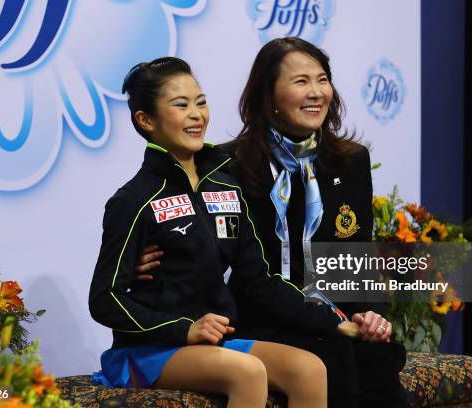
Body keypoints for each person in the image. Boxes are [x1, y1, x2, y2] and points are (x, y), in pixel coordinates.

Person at [136, 40, 407, 408]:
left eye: (322, 79)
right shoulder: (226, 166)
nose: (316, 92)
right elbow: (223, 261)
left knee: (376, 354)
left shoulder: (350, 161)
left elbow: (353, 257)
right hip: (261, 317)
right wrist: (148, 258)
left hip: (331, 312)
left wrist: (369, 314)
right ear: (270, 95)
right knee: (335, 354)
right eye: (300, 82)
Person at [88, 57, 360, 408]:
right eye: (180, 105)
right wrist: (185, 328)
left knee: (309, 369)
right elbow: (105, 298)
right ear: (145, 120)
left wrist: (332, 321)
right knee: (247, 372)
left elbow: (258, 279)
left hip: (214, 342)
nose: (196, 114)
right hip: (151, 348)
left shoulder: (227, 187)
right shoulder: (134, 199)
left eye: (200, 102)